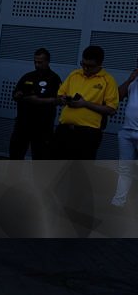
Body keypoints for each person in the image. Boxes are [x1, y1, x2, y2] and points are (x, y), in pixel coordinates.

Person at [50, 45, 118, 160]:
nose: (85, 68)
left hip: (88, 133)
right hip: (64, 129)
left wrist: (85, 104)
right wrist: (63, 99)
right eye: (83, 64)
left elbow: (111, 110)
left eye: (90, 66)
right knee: (56, 167)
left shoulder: (108, 80)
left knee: (81, 170)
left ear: (100, 64)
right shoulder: (74, 74)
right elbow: (60, 94)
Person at [8, 48, 61, 160]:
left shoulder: (54, 79)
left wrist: (37, 100)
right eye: (35, 62)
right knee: (15, 156)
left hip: (42, 128)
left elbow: (59, 100)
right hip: (23, 125)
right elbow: (15, 94)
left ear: (47, 61)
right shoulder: (28, 76)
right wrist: (17, 94)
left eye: (40, 62)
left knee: (40, 159)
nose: (37, 65)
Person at [111, 63, 138, 207]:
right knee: (124, 168)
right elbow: (117, 97)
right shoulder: (133, 82)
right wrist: (129, 80)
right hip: (127, 132)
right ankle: (118, 202)